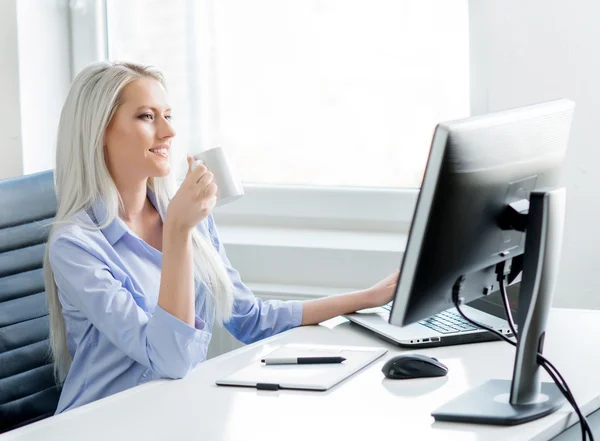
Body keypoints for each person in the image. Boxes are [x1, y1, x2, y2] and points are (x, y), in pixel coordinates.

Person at [44, 61, 398, 413]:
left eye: (168, 115)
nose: (168, 132)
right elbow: (169, 358)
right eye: (147, 117)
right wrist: (179, 232)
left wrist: (367, 298)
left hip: (172, 412)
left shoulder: (185, 216)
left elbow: (250, 319)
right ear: (99, 131)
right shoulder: (77, 246)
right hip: (100, 422)